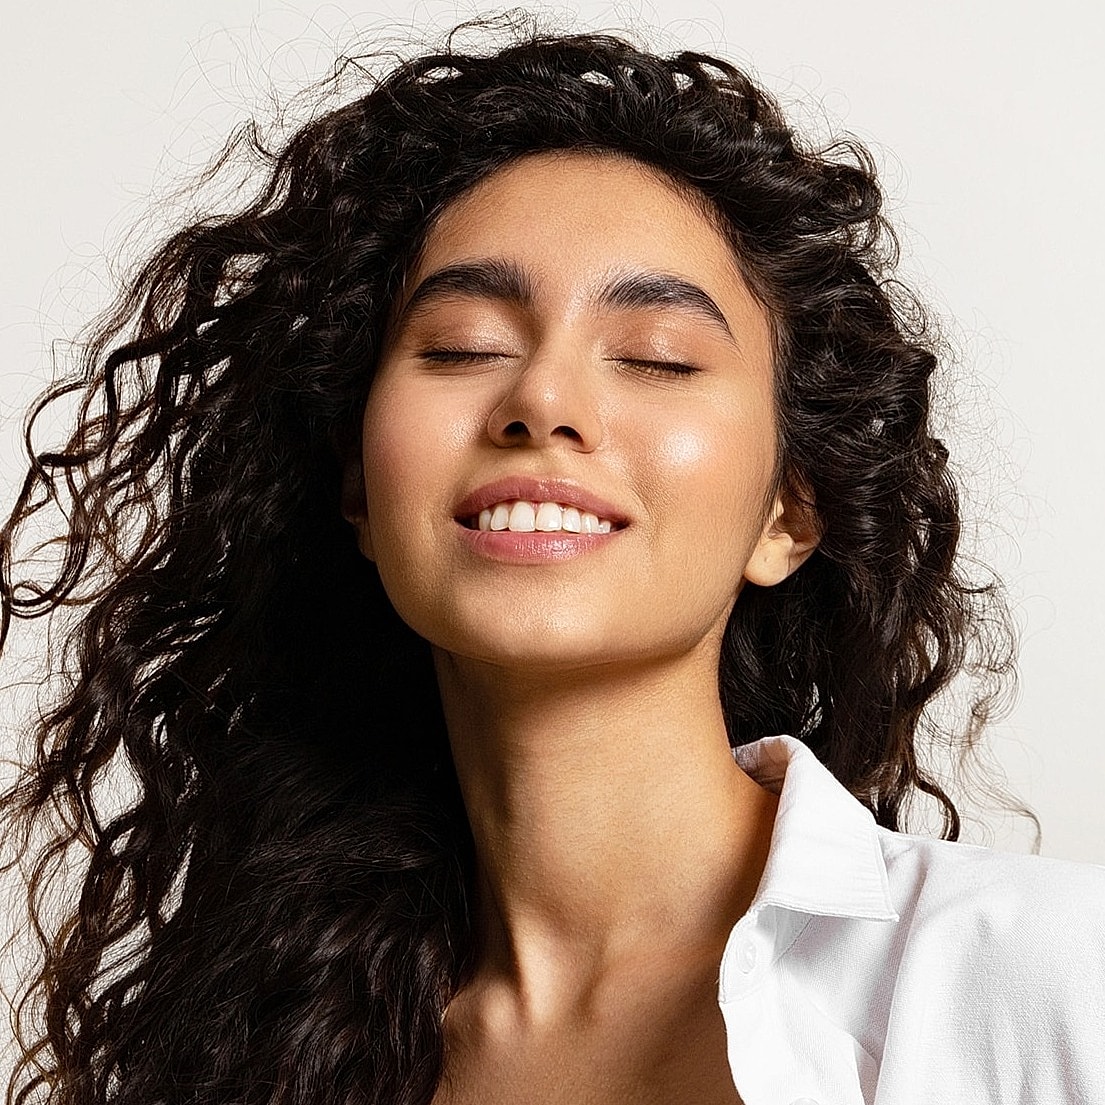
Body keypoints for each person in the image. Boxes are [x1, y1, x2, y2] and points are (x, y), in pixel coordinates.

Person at [2, 19, 1102, 1105]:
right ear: (359, 495)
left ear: (788, 511)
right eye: (462, 348)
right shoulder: (247, 1051)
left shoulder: (1037, 978)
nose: (541, 402)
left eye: (656, 359)